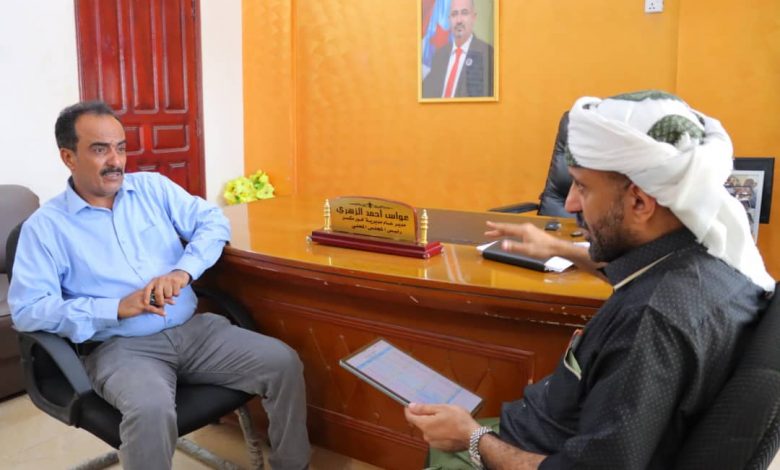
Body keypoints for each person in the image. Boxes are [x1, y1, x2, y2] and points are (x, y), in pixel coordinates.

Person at [405, 90, 775, 469]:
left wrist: (472, 439)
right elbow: (636, 273)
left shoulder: (650, 322)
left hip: (539, 451)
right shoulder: (706, 261)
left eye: (582, 187)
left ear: (639, 202)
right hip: (553, 429)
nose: (569, 204)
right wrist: (560, 248)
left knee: (442, 445)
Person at [8, 101, 310, 470]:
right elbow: (27, 310)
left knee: (283, 363)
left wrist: (183, 271)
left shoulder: (152, 188)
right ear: (68, 157)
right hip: (120, 347)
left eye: (120, 147)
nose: (116, 161)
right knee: (150, 409)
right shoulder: (45, 228)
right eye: (100, 149)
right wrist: (115, 308)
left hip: (194, 332)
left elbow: (213, 221)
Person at [422, 0, 494, 99]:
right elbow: (425, 95)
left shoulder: (487, 54)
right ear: (449, 19)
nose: (459, 20)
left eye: (464, 13)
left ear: (473, 18)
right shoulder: (439, 55)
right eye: (454, 14)